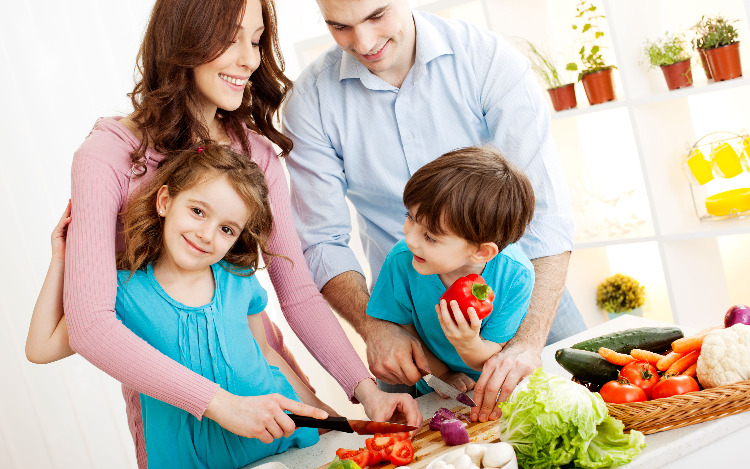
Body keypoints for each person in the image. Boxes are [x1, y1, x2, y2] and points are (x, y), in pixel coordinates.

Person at [60, 0, 420, 466]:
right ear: (183, 37)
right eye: (232, 39)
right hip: (177, 415)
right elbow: (90, 325)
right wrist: (221, 405)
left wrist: (366, 391)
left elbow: (299, 295)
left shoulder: (258, 155)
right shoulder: (108, 155)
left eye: (255, 41)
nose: (251, 59)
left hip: (264, 382)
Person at [282, 0, 587, 422]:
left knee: (587, 416)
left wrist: (529, 340)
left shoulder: (486, 58)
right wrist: (376, 326)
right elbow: (321, 240)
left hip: (525, 292)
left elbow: (546, 216)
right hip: (403, 320)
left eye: (376, 16)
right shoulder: (312, 100)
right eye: (340, 26)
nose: (364, 42)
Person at [28, 145, 334, 467]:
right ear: (164, 202)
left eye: (226, 229)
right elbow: (40, 347)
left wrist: (327, 417)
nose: (206, 235)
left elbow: (266, 354)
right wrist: (61, 259)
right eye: (198, 211)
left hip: (286, 447)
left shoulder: (238, 277)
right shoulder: (122, 291)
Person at [366, 147, 535, 398]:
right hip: (430, 381)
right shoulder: (401, 260)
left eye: (430, 237)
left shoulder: (515, 276)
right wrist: (442, 376)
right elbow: (405, 331)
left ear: (481, 252)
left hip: (493, 388)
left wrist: (468, 343)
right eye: (410, 217)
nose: (410, 239)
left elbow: (495, 355)